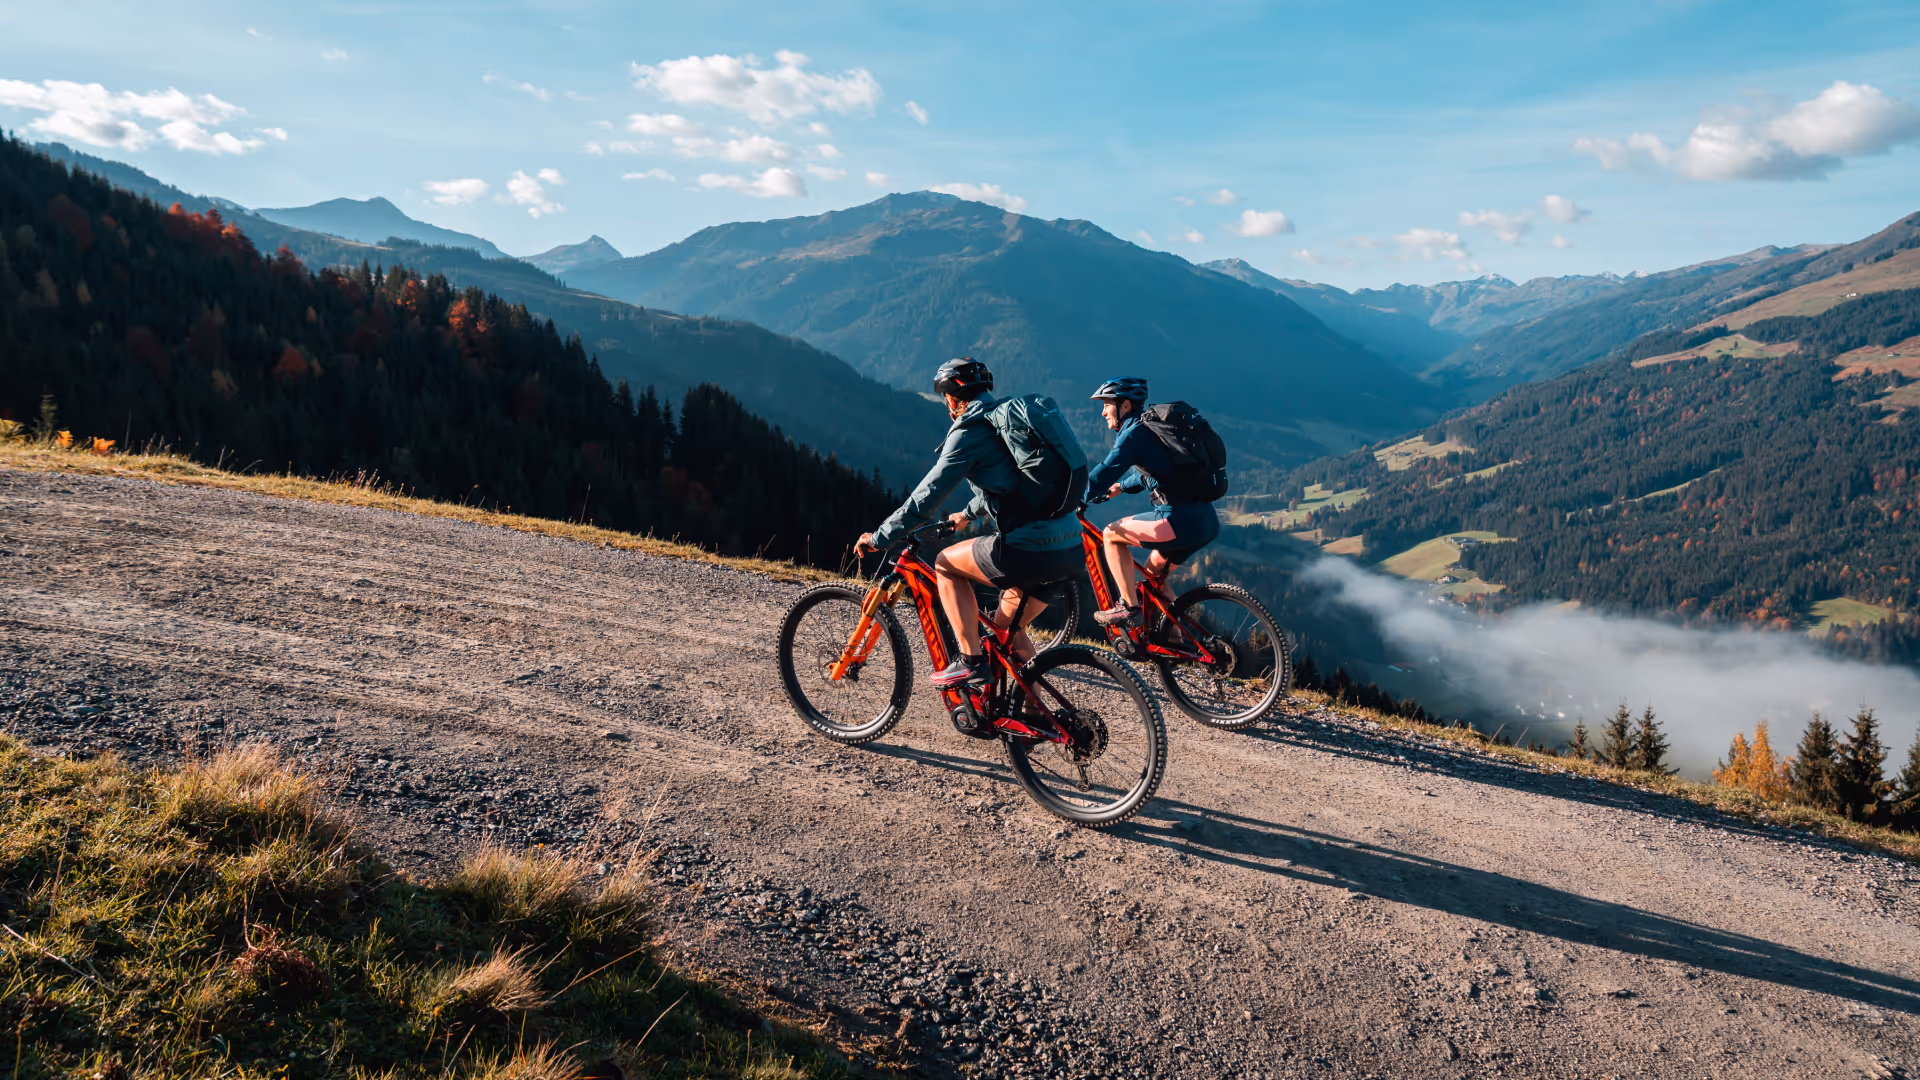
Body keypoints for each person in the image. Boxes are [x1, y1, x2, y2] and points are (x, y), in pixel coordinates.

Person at [855, 359, 1083, 687]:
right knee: (1007, 631)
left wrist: (880, 537)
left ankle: (970, 661)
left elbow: (926, 498)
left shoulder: (969, 431)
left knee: (945, 564)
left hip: (1029, 550)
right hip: (1071, 549)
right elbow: (1015, 486)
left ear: (951, 398)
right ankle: (1034, 711)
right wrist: (967, 515)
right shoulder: (1006, 420)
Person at [1084, 376, 1222, 626]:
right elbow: (1155, 472)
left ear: (1125, 405)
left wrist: (1074, 497)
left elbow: (1104, 472)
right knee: (1153, 579)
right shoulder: (1153, 428)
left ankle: (1128, 607)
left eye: (1106, 405)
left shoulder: (1133, 434)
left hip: (1176, 521)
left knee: (1110, 535)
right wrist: (1120, 487)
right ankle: (1174, 639)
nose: (1103, 412)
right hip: (1205, 521)